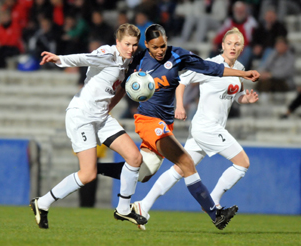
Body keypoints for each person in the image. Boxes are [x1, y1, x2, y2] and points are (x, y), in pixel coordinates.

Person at [97, 24, 260, 230]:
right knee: (227, 162)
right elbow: (126, 82)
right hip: (157, 121)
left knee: (147, 172)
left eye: (162, 46)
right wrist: (107, 105)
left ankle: (138, 203)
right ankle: (214, 209)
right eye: (229, 43)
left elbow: (224, 83)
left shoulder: (180, 56)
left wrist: (244, 89)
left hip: (167, 124)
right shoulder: (138, 59)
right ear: (146, 45)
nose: (159, 50)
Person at [29, 23, 147, 229]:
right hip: (81, 115)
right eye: (127, 44)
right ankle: (43, 202)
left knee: (135, 158)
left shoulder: (128, 61)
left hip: (101, 117)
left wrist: (109, 107)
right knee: (88, 173)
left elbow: (120, 90)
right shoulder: (107, 54)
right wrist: (59, 59)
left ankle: (123, 209)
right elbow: (85, 58)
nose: (131, 48)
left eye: (134, 44)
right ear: (117, 42)